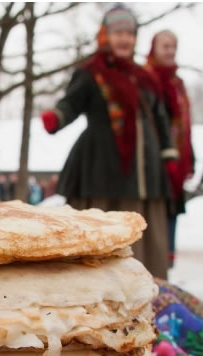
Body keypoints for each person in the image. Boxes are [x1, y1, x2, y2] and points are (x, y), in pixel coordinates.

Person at [40, 4, 177, 279]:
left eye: (129, 33)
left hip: (145, 172)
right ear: (105, 36)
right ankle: (96, 288)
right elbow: (72, 103)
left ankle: (146, 288)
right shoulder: (91, 72)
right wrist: (56, 117)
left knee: (145, 234)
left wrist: (168, 154)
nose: (124, 38)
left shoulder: (144, 77)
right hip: (100, 167)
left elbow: (160, 118)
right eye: (118, 32)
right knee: (100, 230)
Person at [144, 30, 195, 269]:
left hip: (176, 159)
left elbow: (184, 124)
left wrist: (189, 157)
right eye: (165, 46)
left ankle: (164, 268)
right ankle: (152, 264)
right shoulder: (147, 78)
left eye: (174, 46)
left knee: (171, 211)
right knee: (154, 214)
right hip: (153, 160)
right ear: (154, 48)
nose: (170, 51)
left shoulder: (178, 84)